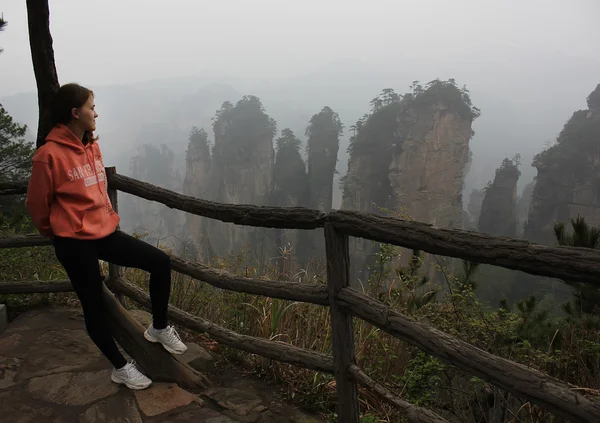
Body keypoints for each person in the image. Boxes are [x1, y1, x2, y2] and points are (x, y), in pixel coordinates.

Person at [25, 83, 187, 390]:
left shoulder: (91, 147)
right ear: (75, 113)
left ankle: (159, 327)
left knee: (159, 262)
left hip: (103, 232)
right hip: (72, 242)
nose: (95, 112)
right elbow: (36, 205)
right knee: (93, 304)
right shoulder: (48, 156)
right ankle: (120, 366)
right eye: (90, 106)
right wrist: (58, 232)